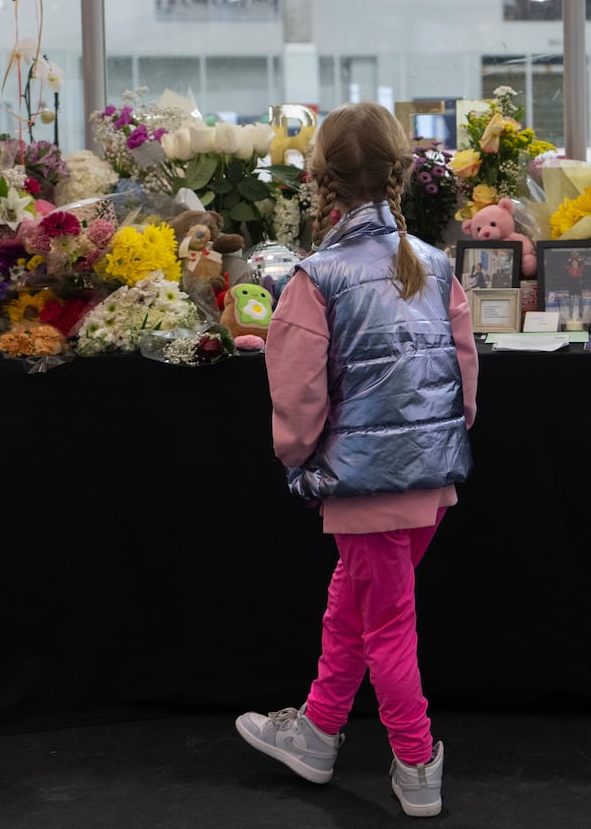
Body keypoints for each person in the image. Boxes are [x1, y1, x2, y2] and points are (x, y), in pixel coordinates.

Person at [236, 101, 477, 819]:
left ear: (319, 177)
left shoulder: (317, 276)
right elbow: (466, 378)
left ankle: (416, 760)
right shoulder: (436, 266)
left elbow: (298, 397)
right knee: (356, 603)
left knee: (384, 624)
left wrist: (296, 458)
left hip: (363, 483)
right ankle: (316, 728)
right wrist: (439, 442)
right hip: (431, 480)